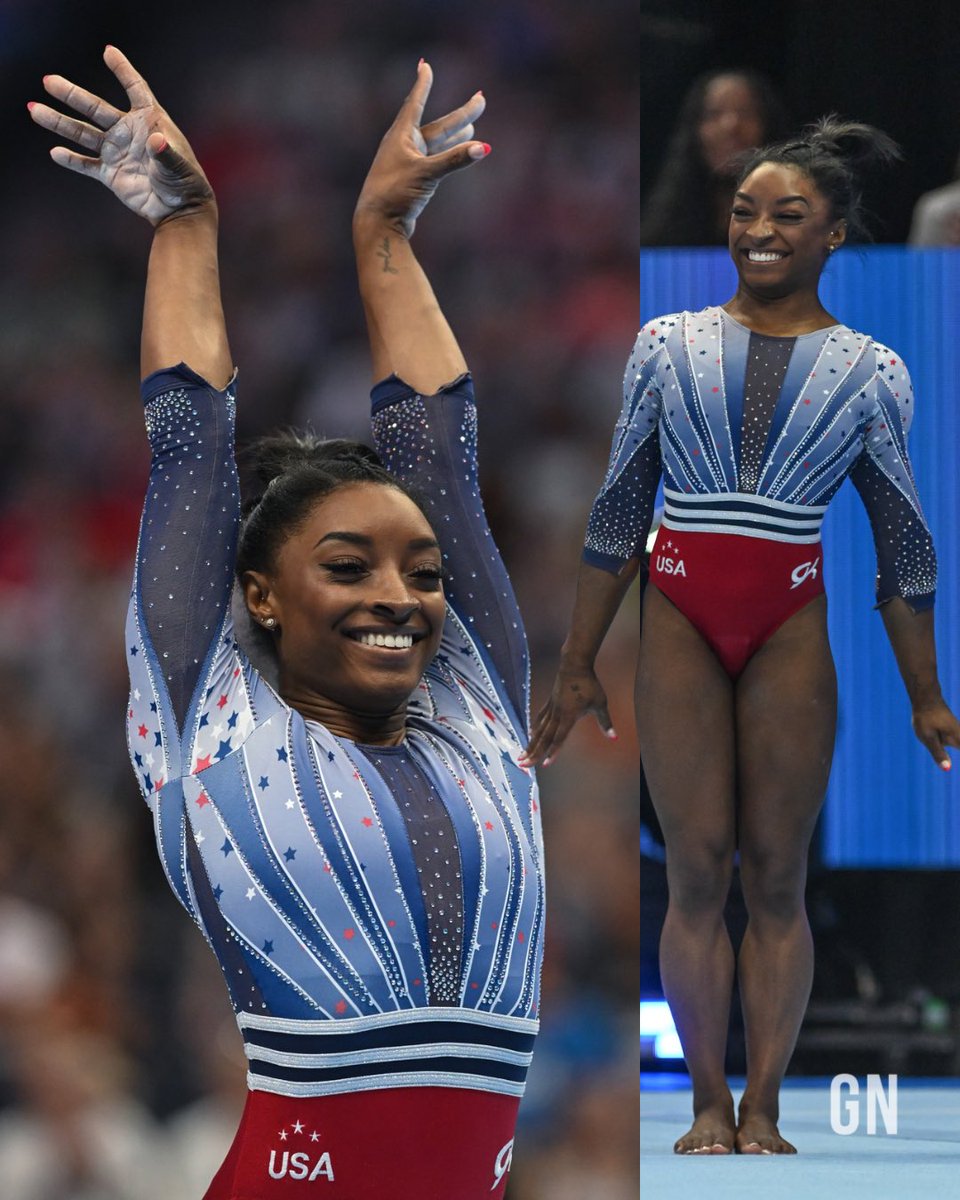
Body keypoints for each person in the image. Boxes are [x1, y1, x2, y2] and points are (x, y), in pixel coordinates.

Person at [31, 46, 543, 1199]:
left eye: (419, 572)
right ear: (261, 595)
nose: (399, 596)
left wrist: (385, 238)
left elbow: (439, 456)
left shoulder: (478, 706)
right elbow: (188, 442)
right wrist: (183, 228)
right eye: (348, 566)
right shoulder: (210, 719)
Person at [524, 117, 960, 1154]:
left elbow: (904, 546)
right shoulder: (666, 344)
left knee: (774, 875)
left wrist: (925, 693)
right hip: (676, 613)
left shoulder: (871, 372)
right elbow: (620, 512)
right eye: (745, 211)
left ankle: (764, 1104)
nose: (758, 230)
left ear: (835, 236)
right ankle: (706, 1103)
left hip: (788, 623)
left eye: (788, 216)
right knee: (697, 870)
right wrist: (581, 660)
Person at [639, 69, 789, 246]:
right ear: (694, 131)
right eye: (714, 114)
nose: (731, 125)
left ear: (768, 126)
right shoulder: (662, 235)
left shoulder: (797, 225)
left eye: (746, 112)